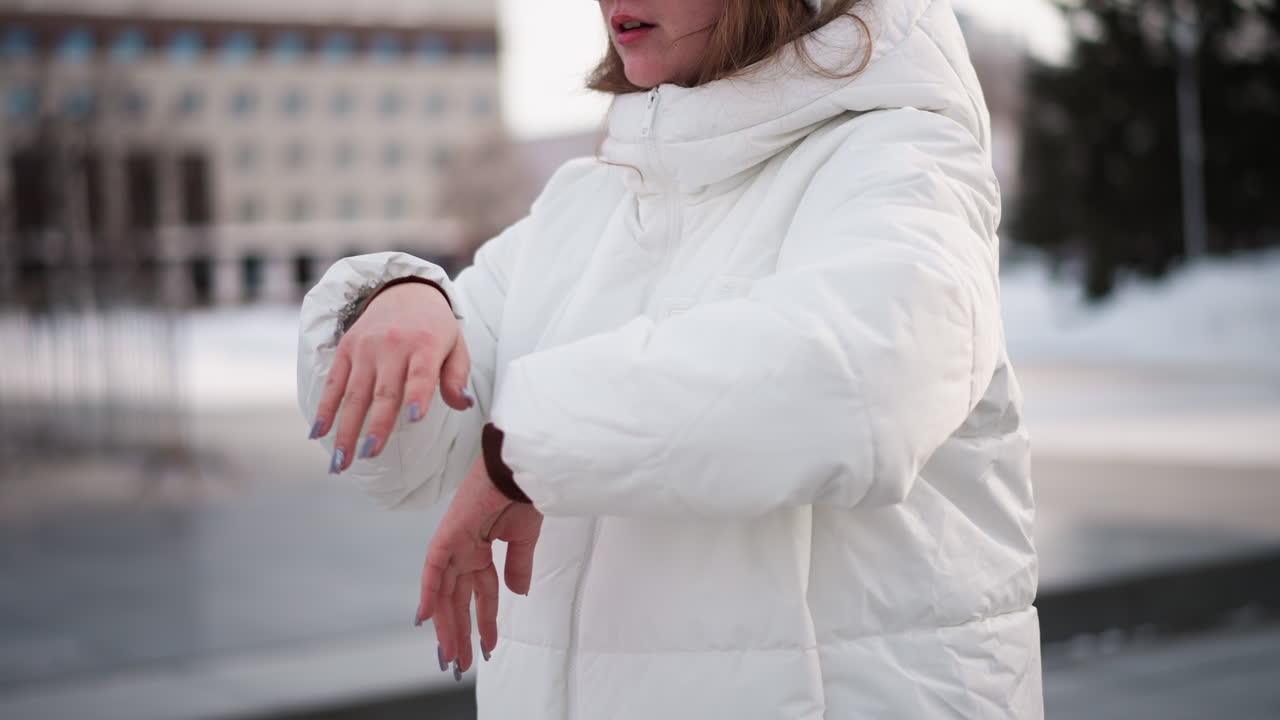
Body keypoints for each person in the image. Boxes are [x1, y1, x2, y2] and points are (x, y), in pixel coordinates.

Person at [296, 0, 1043, 717]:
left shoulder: (903, 158)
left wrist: (529, 451)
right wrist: (397, 306)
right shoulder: (582, 207)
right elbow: (410, 458)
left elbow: (865, 378)